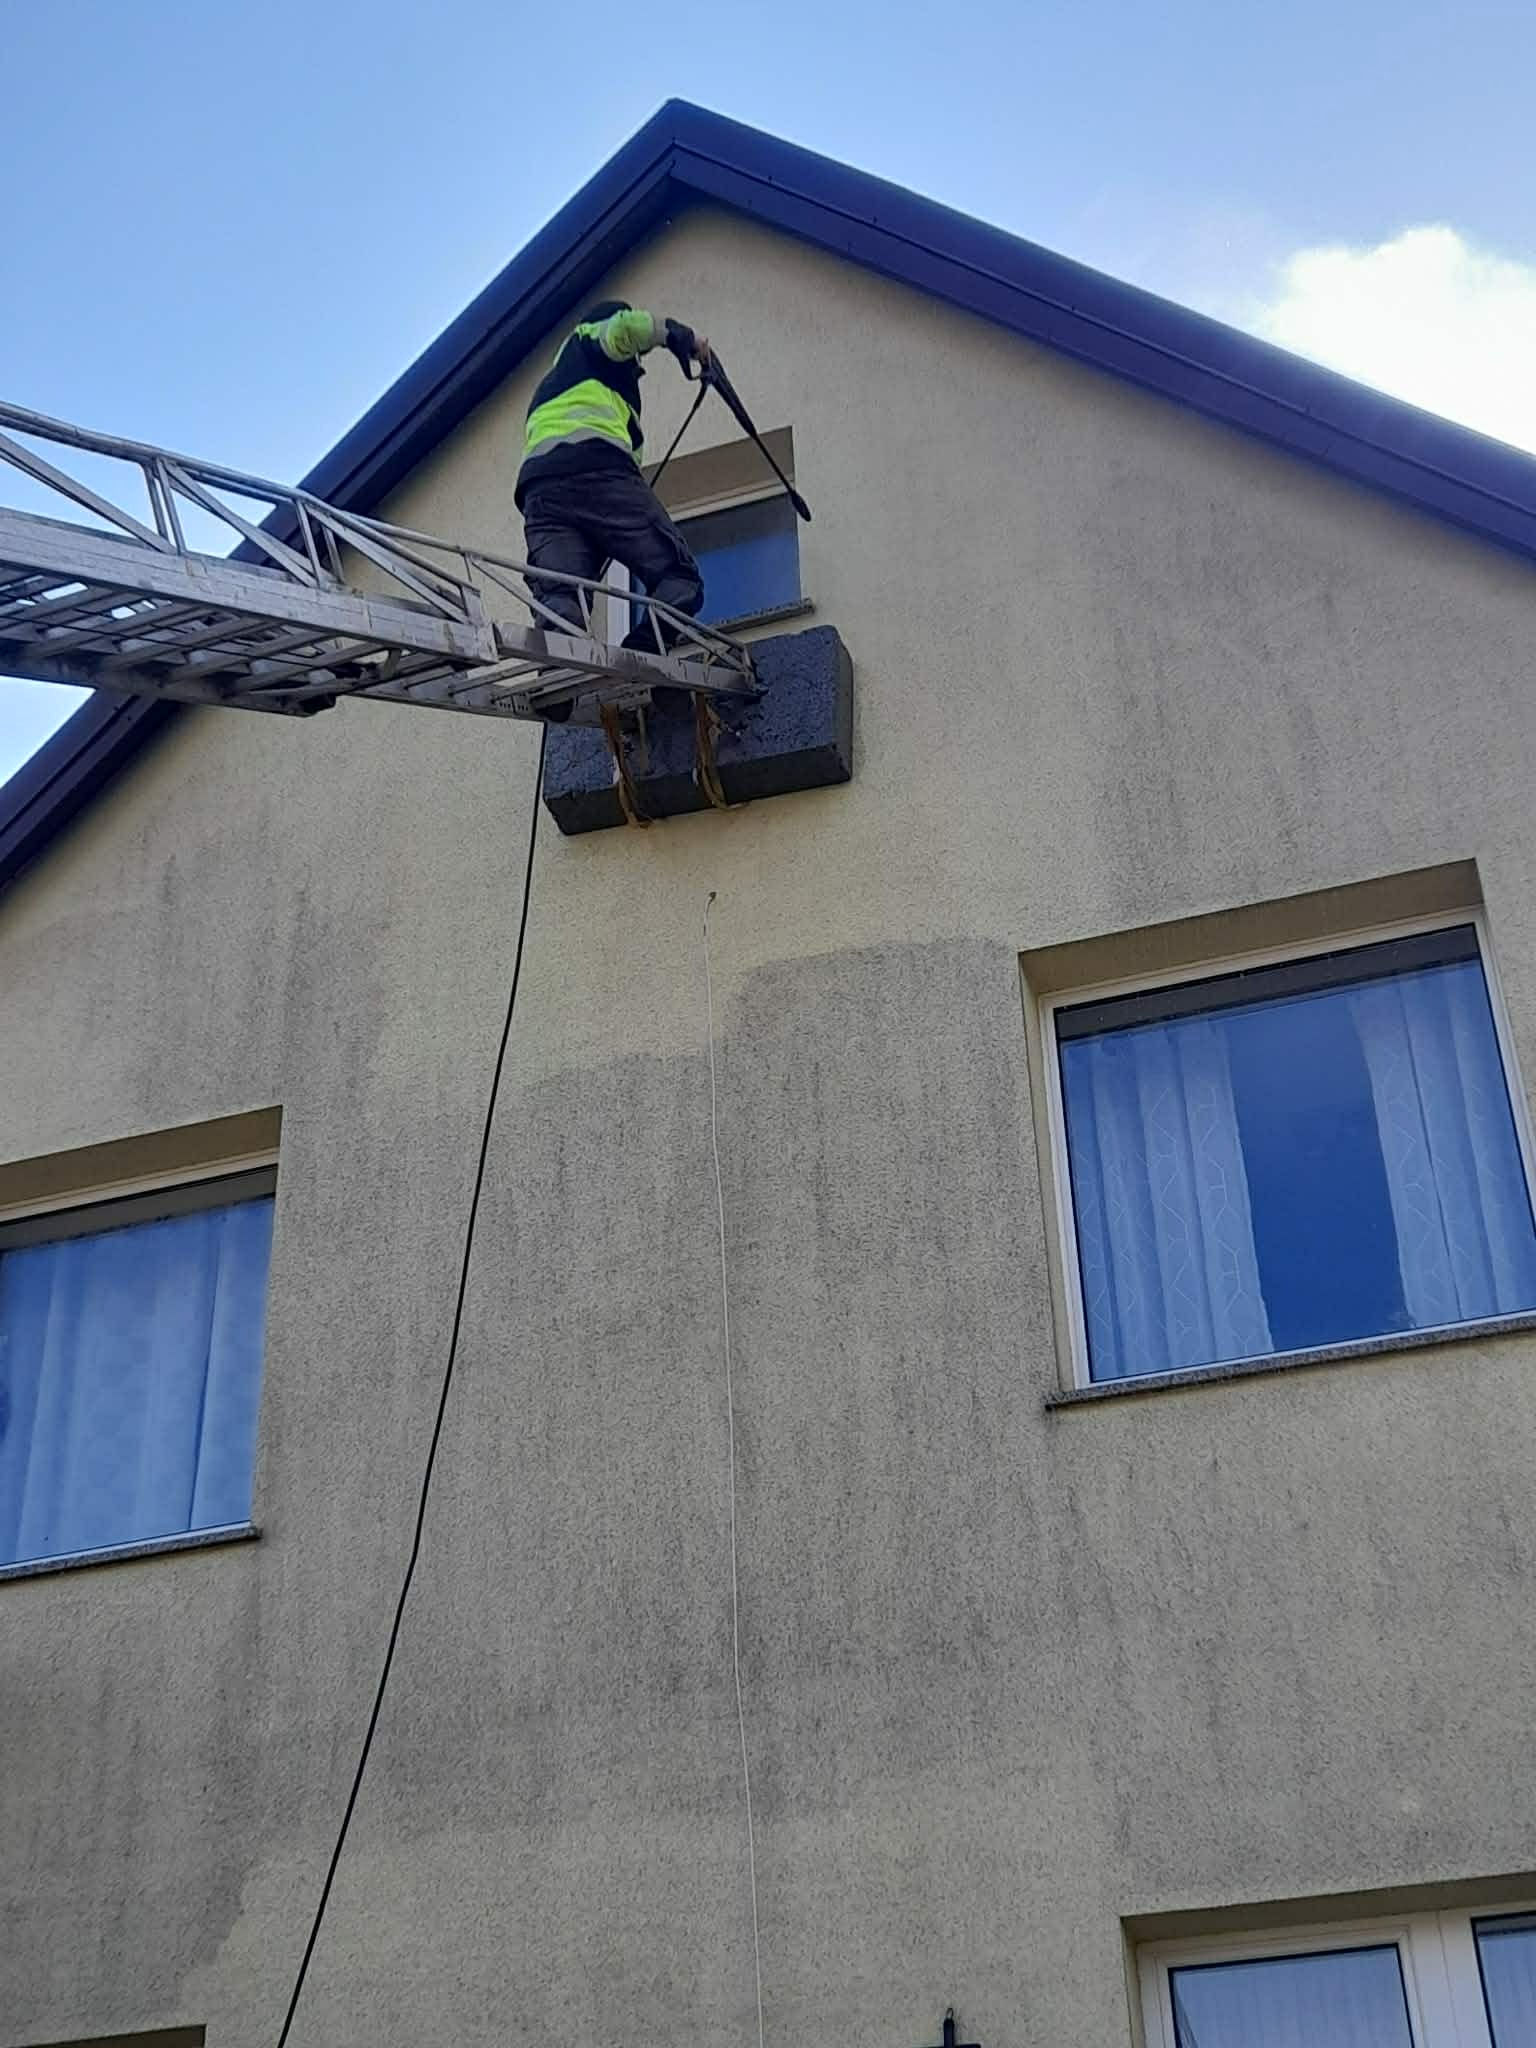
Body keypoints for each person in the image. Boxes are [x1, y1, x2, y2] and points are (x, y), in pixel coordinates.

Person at [516, 300, 711, 662]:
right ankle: (645, 651)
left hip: (540, 493)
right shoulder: (592, 339)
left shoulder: (551, 387)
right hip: (600, 472)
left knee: (561, 598)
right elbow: (625, 328)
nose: (636, 366)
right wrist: (685, 338)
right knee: (679, 581)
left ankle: (557, 676)